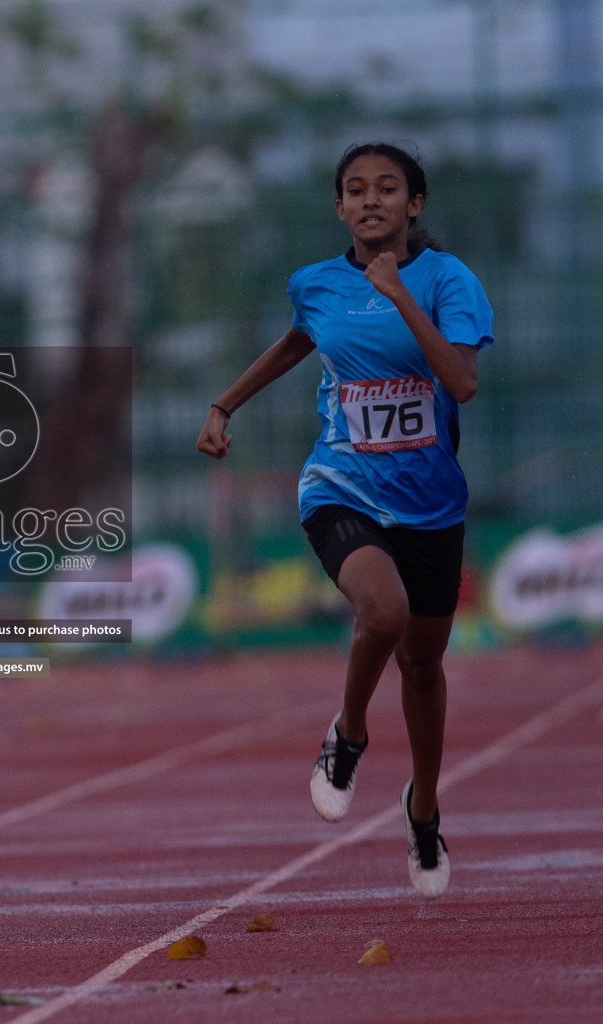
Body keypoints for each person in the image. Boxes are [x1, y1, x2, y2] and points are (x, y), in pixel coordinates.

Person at [196, 142, 494, 899]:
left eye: (387, 188)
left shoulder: (447, 280)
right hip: (341, 485)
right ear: (339, 209)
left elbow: (461, 382)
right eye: (355, 190)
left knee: (424, 667)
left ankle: (422, 808)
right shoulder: (316, 284)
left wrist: (398, 295)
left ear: (414, 204)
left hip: (431, 504)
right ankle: (350, 732)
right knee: (382, 612)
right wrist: (225, 403)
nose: (371, 200)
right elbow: (300, 340)